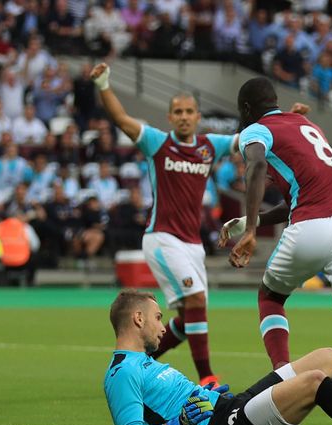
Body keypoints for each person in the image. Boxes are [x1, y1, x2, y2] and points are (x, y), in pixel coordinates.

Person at [218, 77, 332, 394]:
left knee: (271, 297)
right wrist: (255, 220)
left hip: (311, 227)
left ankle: (283, 378)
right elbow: (295, 197)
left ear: (246, 109)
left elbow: (257, 166)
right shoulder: (305, 124)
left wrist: (248, 231)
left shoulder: (254, 131)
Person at [104, 290, 332, 425]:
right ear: (137, 319)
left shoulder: (143, 363)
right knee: (313, 384)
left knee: (325, 358)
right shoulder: (122, 373)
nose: (163, 327)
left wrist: (202, 395)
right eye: (156, 318)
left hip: (227, 408)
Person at [91, 62, 239, 385]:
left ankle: (137, 366)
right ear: (170, 117)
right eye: (178, 111)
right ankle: (207, 378)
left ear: (198, 117)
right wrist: (103, 83)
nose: (184, 116)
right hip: (162, 238)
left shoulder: (209, 147)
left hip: (193, 245)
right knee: (197, 300)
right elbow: (121, 119)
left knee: (188, 320)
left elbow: (247, 141)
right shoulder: (158, 143)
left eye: (189, 111)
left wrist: (283, 121)